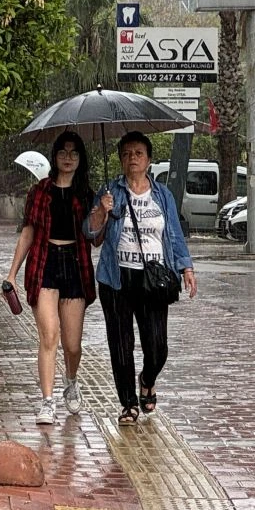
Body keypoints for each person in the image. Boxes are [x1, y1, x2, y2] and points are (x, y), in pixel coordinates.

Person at [85, 131, 197, 425]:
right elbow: (91, 233)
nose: (131, 158)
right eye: (125, 154)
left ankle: (147, 379)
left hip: (154, 279)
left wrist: (186, 268)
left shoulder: (162, 194)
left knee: (157, 345)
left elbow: (173, 234)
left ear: (148, 159)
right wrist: (102, 210)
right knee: (120, 343)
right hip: (116, 279)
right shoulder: (110, 191)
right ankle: (128, 404)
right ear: (120, 159)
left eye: (137, 153)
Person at [4, 130, 98, 425]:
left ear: (80, 159)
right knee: (49, 336)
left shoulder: (87, 194)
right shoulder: (40, 191)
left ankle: (71, 380)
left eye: (74, 153)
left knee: (72, 344)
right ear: (54, 157)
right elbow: (28, 232)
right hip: (44, 264)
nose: (68, 158)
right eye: (63, 153)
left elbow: (95, 238)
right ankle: (47, 401)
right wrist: (12, 273)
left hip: (75, 265)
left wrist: (103, 212)